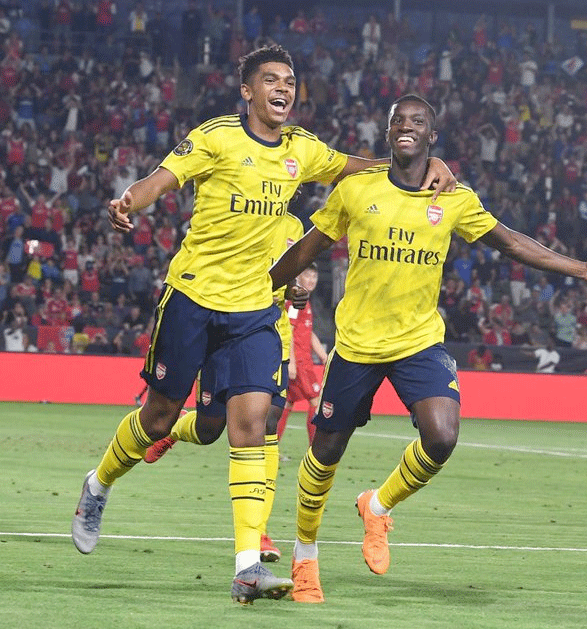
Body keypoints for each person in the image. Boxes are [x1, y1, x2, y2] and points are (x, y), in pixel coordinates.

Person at [71, 46, 456, 605]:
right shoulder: (218, 136)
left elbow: (362, 166)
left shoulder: (303, 148)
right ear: (247, 91)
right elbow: (165, 175)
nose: (283, 89)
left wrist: (433, 165)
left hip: (254, 310)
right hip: (194, 297)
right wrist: (131, 199)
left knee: (252, 426)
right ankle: (99, 484)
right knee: (158, 418)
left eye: (290, 81)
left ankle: (247, 566)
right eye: (270, 80)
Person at [268, 94, 587, 603]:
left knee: (441, 437)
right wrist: (263, 286)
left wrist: (582, 268)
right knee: (325, 451)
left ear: (431, 136)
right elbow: (310, 246)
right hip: (357, 343)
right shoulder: (356, 190)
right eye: (398, 119)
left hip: (419, 340)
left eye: (417, 122)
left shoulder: (456, 198)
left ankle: (376, 507)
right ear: (387, 131)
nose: (406, 127)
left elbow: (508, 242)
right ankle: (305, 557)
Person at [143, 211, 307, 564]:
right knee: (208, 429)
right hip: (227, 330)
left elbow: (284, 277)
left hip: (269, 335)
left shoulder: (294, 227)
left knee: (269, 425)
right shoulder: (242, 213)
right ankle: (175, 431)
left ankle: (260, 532)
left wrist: (295, 292)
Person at [276, 262, 327, 446]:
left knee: (287, 403)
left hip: (301, 361)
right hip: (299, 362)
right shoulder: (295, 302)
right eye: (308, 276)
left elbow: (308, 331)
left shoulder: (305, 301)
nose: (312, 280)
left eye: (314, 276)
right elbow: (287, 328)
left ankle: (271, 448)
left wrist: (323, 355)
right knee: (316, 399)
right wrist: (290, 362)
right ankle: (315, 448)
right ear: (299, 277)